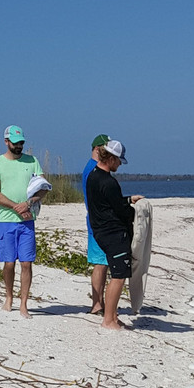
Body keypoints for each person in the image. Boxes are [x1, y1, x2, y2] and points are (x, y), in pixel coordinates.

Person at [85, 139, 144, 330]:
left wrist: (128, 199)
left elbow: (110, 202)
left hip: (101, 232)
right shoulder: (109, 182)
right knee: (118, 276)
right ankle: (108, 319)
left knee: (116, 274)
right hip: (114, 235)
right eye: (118, 160)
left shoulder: (93, 176)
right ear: (110, 158)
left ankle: (112, 315)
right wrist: (136, 213)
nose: (119, 164)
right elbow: (119, 210)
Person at [0, 125, 47, 318]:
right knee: (8, 264)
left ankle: (24, 304)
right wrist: (16, 206)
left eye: (21, 142)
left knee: (26, 263)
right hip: (6, 221)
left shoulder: (32, 161)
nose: (19, 146)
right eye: (15, 143)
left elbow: (43, 188)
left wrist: (28, 203)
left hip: (27, 221)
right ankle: (8, 296)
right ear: (6, 142)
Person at [82, 134, 110, 314]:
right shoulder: (93, 169)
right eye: (105, 149)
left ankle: (99, 302)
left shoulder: (94, 168)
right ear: (97, 148)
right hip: (97, 221)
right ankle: (96, 304)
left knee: (103, 263)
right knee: (100, 263)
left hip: (98, 220)